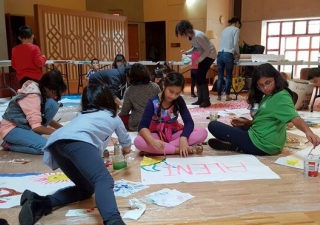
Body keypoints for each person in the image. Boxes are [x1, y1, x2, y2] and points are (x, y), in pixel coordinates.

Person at [18, 84, 131, 225]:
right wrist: (127, 151)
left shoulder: (81, 115)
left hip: (56, 143)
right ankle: (114, 221)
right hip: (77, 143)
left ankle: (39, 203)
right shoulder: (112, 116)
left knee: (87, 188)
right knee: (103, 180)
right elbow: (126, 143)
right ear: (108, 100)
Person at [207, 63, 320, 155]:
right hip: (268, 141)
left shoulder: (281, 97)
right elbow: (266, 120)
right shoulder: (270, 95)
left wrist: (308, 132)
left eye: (268, 83)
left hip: (262, 145)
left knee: (213, 125)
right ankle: (239, 145)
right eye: (260, 85)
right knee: (240, 126)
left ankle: (239, 146)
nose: (265, 88)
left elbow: (295, 117)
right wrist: (247, 122)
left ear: (275, 78)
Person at [134, 72, 208, 157]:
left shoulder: (179, 100)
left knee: (203, 132)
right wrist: (152, 141)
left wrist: (184, 137)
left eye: (177, 93)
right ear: (164, 86)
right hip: (157, 135)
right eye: (171, 91)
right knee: (138, 141)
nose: (173, 96)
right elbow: (142, 126)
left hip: (174, 135)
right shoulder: (153, 102)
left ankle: (160, 150)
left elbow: (189, 122)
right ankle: (178, 150)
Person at [0, 69, 67, 154]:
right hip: (11, 129)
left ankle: (31, 139)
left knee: (52, 104)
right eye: (54, 92)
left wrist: (63, 129)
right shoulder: (32, 96)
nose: (55, 96)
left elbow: (40, 118)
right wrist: (59, 133)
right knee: (47, 148)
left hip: (24, 126)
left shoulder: (41, 92)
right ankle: (10, 145)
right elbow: (36, 127)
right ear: (47, 88)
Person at [175, 20, 217, 108]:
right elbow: (196, 47)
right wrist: (187, 52)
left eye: (180, 33)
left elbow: (208, 50)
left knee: (201, 76)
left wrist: (199, 59)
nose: (180, 35)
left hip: (210, 55)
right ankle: (201, 99)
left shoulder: (198, 36)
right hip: (204, 55)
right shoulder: (190, 37)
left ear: (185, 31)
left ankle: (206, 100)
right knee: (198, 76)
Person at [118, 63, 161, 131]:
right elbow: (160, 104)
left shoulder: (129, 90)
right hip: (155, 121)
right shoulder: (155, 86)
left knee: (119, 119)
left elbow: (124, 112)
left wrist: (117, 115)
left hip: (138, 123)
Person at [216, 17, 242, 101]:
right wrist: (238, 53)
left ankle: (219, 96)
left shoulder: (224, 29)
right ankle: (227, 96)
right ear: (237, 22)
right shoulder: (236, 29)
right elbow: (235, 43)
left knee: (220, 77)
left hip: (220, 54)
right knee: (228, 76)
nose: (239, 27)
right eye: (239, 25)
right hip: (228, 54)